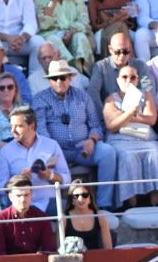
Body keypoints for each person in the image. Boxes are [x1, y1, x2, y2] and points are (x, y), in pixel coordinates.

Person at [33, 59, 116, 210]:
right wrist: (54, 150)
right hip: (55, 151)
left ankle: (105, 205)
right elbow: (41, 132)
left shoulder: (82, 96)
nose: (59, 81)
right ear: (50, 80)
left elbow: (96, 125)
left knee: (107, 152)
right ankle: (53, 209)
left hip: (81, 149)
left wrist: (92, 140)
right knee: (41, 160)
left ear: (70, 78)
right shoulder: (40, 99)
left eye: (63, 77)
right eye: (54, 78)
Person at [104, 61, 158, 208]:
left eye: (133, 77)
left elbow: (151, 119)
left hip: (145, 140)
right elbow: (112, 126)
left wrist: (124, 116)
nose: (129, 80)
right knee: (127, 157)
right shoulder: (111, 99)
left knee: (155, 154)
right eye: (124, 77)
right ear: (118, 80)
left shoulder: (145, 95)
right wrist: (130, 113)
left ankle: (155, 204)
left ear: (137, 79)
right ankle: (131, 204)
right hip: (121, 140)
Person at [0, 172, 58, 254]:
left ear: (31, 195)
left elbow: (49, 249)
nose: (23, 199)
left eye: (26, 195)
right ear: (10, 196)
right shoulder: (0, 219)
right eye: (18, 196)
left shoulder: (42, 217)